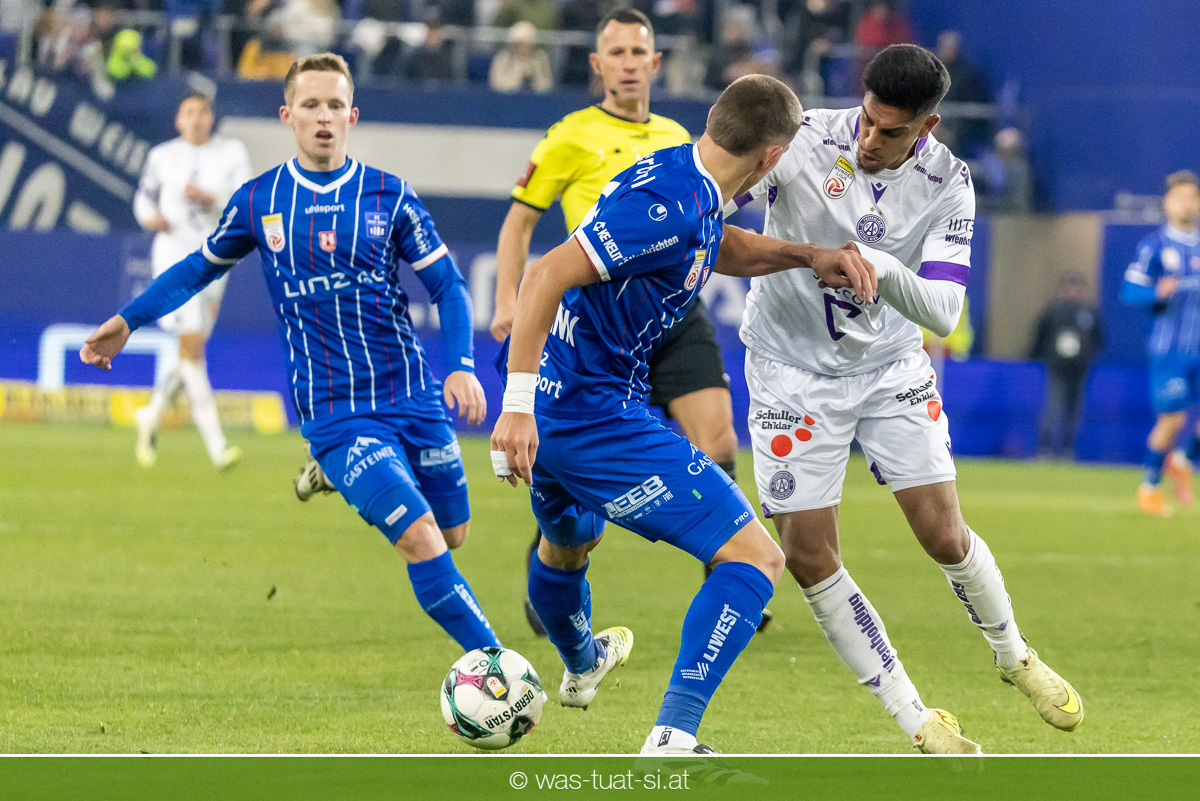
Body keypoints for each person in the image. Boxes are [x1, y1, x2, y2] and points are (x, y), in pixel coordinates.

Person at [490, 74, 876, 754]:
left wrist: (807, 255)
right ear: (771, 157)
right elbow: (546, 272)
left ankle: (582, 664)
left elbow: (715, 244)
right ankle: (673, 733)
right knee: (757, 558)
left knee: (567, 544)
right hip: (589, 413)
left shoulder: (682, 172)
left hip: (561, 403)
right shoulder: (672, 205)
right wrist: (514, 410)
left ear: (714, 117)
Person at [80, 54, 500, 655]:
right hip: (335, 412)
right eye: (311, 105)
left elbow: (449, 288)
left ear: (352, 116)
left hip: (412, 396)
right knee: (421, 536)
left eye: (335, 105)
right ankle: (500, 671)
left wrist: (460, 365)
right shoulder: (260, 200)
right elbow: (197, 267)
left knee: (454, 532)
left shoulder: (390, 195)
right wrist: (128, 321)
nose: (323, 116)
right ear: (287, 116)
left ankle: (330, 475)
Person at [728, 44, 1084, 753]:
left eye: (890, 131)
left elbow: (945, 311)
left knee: (944, 534)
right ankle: (916, 718)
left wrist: (881, 267)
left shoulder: (950, 182)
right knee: (807, 554)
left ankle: (1014, 655)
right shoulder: (802, 140)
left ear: (928, 126)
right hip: (789, 373)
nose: (869, 139)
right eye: (866, 119)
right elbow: (716, 213)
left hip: (889, 368)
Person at [489, 7, 755, 638]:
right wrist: (506, 299)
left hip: (674, 311)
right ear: (597, 64)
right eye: (617, 53)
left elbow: (712, 231)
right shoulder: (569, 136)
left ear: (656, 63)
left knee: (719, 441)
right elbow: (519, 223)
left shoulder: (679, 138)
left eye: (640, 53)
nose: (629, 64)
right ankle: (557, 559)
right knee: (577, 481)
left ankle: (730, 573)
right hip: (601, 322)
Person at [132, 92, 252, 471]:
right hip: (173, 258)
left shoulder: (232, 152)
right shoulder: (162, 155)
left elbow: (247, 203)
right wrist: (149, 218)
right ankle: (218, 447)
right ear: (178, 120)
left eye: (202, 112)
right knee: (193, 352)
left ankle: (150, 415)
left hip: (215, 259)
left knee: (188, 353)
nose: (196, 118)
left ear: (211, 118)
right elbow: (143, 198)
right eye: (188, 112)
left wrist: (211, 199)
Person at [1121, 170, 1200, 517]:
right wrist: (1156, 292)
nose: (1188, 204)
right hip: (1170, 350)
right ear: (1167, 203)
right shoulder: (1154, 246)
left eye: (1193, 197)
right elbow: (1129, 291)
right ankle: (1150, 487)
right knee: (1174, 420)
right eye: (1180, 197)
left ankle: (1183, 461)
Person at [1030, 273, 1103, 458]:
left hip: (1080, 368)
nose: (1073, 291)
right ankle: (1045, 448)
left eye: (1076, 287)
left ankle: (1067, 449)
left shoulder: (1089, 311)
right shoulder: (1053, 310)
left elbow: (1099, 338)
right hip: (1057, 367)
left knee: (1075, 410)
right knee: (1054, 406)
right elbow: (1040, 335)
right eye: (1069, 287)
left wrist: (1089, 357)